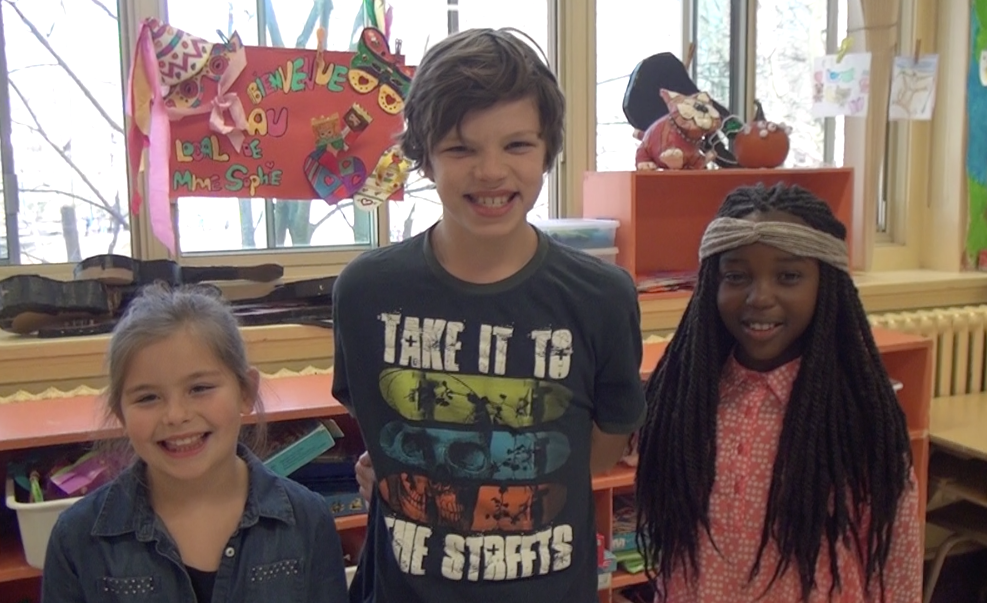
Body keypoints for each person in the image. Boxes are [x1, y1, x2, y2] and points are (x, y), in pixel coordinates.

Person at [332, 27, 646, 603]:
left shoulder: (601, 297)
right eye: (461, 149)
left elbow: (597, 452)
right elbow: (381, 428)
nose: (491, 171)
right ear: (425, 158)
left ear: (547, 151)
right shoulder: (364, 292)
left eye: (517, 145)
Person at [634, 183, 922, 603]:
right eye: (736, 276)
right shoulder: (684, 402)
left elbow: (896, 562)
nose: (760, 297)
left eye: (788, 276)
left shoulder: (856, 417)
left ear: (826, 284)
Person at [41, 285, 349, 603]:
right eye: (148, 397)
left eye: (199, 388)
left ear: (245, 391)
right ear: (121, 413)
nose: (176, 415)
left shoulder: (308, 521)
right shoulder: (76, 540)